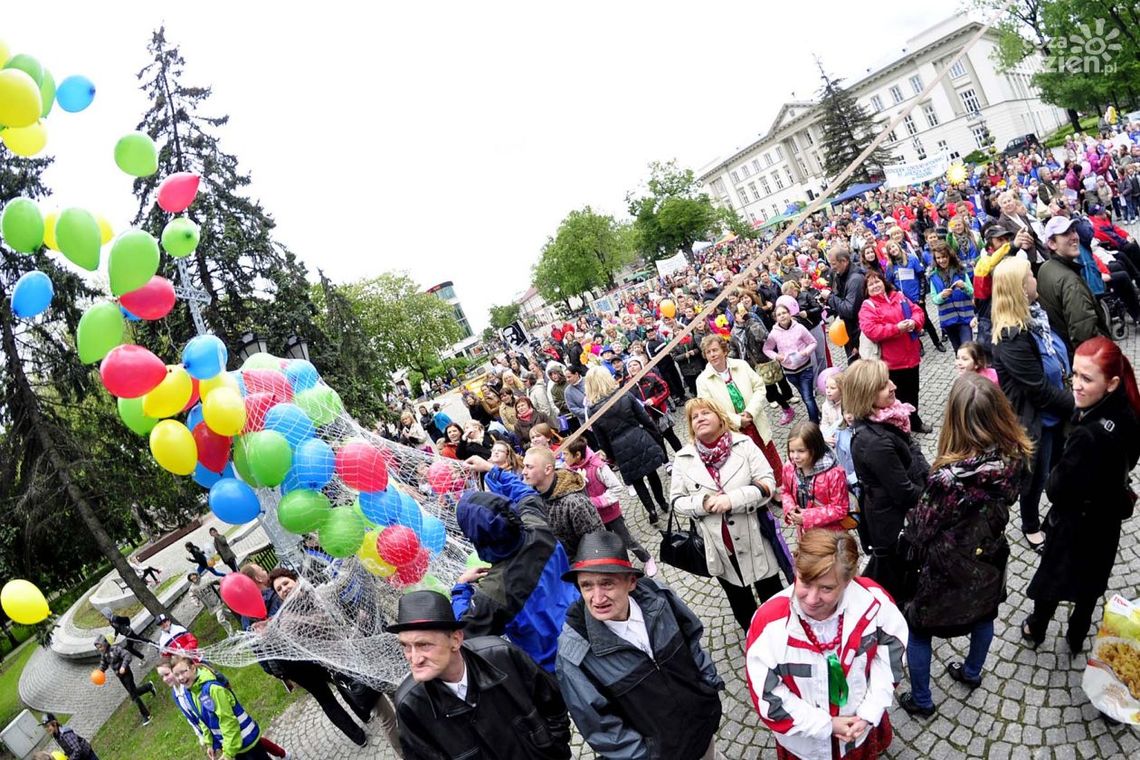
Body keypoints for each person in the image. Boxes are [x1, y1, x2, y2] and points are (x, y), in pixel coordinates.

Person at [898, 374, 1031, 717]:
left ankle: (923, 699)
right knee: (985, 615)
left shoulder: (948, 480)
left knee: (918, 629)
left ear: (955, 420)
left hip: (945, 570)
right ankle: (972, 672)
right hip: (989, 557)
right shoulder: (1015, 456)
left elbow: (920, 529)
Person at [555, 531, 724, 760]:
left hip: (703, 733)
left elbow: (691, 639)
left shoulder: (659, 597)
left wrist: (708, 690)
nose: (597, 598)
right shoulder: (575, 655)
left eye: (607, 584)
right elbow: (600, 727)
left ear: (631, 582)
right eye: (586, 586)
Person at [1023, 337, 1140, 655]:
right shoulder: (1129, 412)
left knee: (1052, 576)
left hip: (1077, 521)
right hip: (1108, 517)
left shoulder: (1088, 435)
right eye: (1074, 374)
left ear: (1112, 382)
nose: (1075, 385)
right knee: (1092, 581)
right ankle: (1077, 634)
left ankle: (1037, 626)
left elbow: (1056, 487)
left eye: (1086, 378)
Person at [745, 529, 907, 760]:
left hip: (858, 727)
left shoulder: (874, 603)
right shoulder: (769, 622)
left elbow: (890, 657)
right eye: (805, 582)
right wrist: (827, 725)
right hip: (804, 742)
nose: (811, 599)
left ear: (848, 581)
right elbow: (767, 695)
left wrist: (868, 712)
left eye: (826, 588)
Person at [391, 590, 572, 759]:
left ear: (455, 639)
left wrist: (554, 750)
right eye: (406, 646)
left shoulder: (501, 655)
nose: (414, 658)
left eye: (424, 645)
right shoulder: (410, 705)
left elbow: (553, 704)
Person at [670, 398, 792, 633]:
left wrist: (732, 500)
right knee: (739, 599)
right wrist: (703, 503)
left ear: (720, 417)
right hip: (719, 546)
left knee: (771, 592)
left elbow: (767, 482)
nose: (700, 418)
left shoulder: (743, 445)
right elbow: (676, 501)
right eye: (694, 417)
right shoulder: (683, 459)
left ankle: (783, 635)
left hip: (755, 536)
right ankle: (754, 636)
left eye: (706, 412)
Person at [990, 258, 1074, 551]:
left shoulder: (1037, 316)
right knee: (1034, 478)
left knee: (1056, 469)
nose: (1035, 279)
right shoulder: (1012, 338)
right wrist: (1079, 403)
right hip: (1036, 420)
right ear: (1020, 289)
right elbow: (1038, 391)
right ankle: (1030, 525)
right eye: (1030, 276)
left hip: (1055, 413)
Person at [452, 491, 578, 673]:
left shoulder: (494, 592)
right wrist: (493, 471)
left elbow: (465, 632)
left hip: (559, 666)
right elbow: (527, 495)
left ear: (476, 538)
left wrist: (461, 588)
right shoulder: (537, 526)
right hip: (586, 623)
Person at [844, 359, 929, 601]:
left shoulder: (886, 418)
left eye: (889, 379)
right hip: (893, 522)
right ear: (865, 395)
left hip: (889, 513)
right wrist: (936, 495)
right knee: (898, 577)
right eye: (883, 385)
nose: (893, 386)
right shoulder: (875, 442)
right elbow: (903, 492)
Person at [583, 366, 670, 523]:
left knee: (637, 481)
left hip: (619, 448)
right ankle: (662, 502)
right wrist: (655, 437)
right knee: (652, 473)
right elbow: (645, 418)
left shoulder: (593, 410)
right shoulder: (624, 395)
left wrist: (610, 456)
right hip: (639, 437)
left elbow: (600, 439)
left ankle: (651, 511)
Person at [563, 437, 657, 576]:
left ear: (577, 455)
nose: (563, 457)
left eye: (565, 454)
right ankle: (623, 568)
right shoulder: (569, 471)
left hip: (610, 514)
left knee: (627, 540)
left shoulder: (598, 467)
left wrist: (596, 502)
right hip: (593, 519)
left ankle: (647, 558)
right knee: (607, 546)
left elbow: (617, 488)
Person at [696, 333, 784, 475]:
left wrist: (750, 412)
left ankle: (780, 488)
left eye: (715, 350)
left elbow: (759, 388)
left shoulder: (741, 366)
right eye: (708, 352)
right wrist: (737, 420)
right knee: (747, 464)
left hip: (755, 422)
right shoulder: (702, 381)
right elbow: (709, 410)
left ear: (724, 351)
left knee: (769, 457)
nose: (712, 354)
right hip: (732, 430)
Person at [858, 269, 929, 433]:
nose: (875, 286)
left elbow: (918, 311)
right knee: (895, 398)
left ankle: (915, 421)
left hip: (911, 356)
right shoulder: (868, 306)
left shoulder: (898, 296)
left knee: (913, 392)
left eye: (877, 281)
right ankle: (900, 428)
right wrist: (896, 328)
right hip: (891, 363)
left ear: (884, 282)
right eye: (871, 284)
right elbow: (872, 330)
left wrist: (914, 322)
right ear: (866, 289)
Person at [172, 655, 275, 760]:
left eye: (183, 672)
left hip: (246, 741)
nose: (180, 678)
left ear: (193, 668)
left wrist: (228, 753)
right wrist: (210, 743)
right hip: (235, 746)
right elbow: (202, 719)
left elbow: (228, 721)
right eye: (176, 675)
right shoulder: (191, 691)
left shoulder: (213, 689)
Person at [1035, 215, 1110, 356]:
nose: (1074, 236)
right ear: (1052, 244)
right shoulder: (1071, 282)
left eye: (1073, 230)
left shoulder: (1046, 267)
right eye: (1065, 234)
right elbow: (1085, 336)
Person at [781, 421, 852, 537]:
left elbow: (841, 508)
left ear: (815, 449)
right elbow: (785, 491)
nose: (795, 456)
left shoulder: (834, 474)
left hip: (830, 535)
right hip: (805, 532)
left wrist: (807, 517)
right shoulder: (789, 467)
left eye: (801, 451)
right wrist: (790, 509)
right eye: (791, 451)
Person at [764, 302, 820, 423]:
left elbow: (813, 342)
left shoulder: (799, 328)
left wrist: (806, 352)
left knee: (808, 397)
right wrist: (777, 356)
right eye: (779, 314)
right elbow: (766, 349)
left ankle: (814, 423)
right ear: (775, 318)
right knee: (805, 396)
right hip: (790, 372)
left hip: (805, 367)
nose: (782, 316)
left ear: (790, 314)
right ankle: (817, 412)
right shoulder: (774, 333)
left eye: (784, 313)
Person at [626, 355, 683, 453]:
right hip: (646, 418)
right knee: (657, 441)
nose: (632, 367)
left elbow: (665, 389)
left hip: (659, 413)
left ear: (640, 365)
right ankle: (666, 463)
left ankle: (682, 454)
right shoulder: (627, 384)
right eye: (630, 366)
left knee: (670, 436)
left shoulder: (651, 377)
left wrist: (654, 400)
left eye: (635, 364)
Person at [95, 634, 155, 726]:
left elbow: (127, 655)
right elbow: (104, 664)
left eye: (101, 647)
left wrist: (123, 666)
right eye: (98, 648)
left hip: (126, 674)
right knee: (134, 692)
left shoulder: (115, 649)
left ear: (105, 644)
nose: (100, 649)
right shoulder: (104, 654)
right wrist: (100, 671)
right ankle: (149, 686)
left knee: (134, 696)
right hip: (120, 676)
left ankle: (147, 715)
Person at [927, 241, 975, 351]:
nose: (941, 260)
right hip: (948, 319)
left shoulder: (961, 272)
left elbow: (972, 292)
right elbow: (934, 299)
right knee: (958, 350)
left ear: (949, 256)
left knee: (968, 349)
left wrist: (964, 287)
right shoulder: (933, 276)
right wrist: (942, 296)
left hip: (964, 316)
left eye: (944, 257)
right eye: (938, 258)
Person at [825, 247, 866, 360]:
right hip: (850, 333)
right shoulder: (841, 275)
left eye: (834, 263)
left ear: (844, 261)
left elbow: (849, 310)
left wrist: (829, 297)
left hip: (859, 335)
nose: (832, 267)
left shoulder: (855, 280)